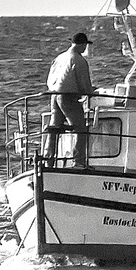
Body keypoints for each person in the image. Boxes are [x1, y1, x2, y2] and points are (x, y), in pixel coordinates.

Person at [45, 32, 96, 168]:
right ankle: (78, 161)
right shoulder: (79, 60)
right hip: (68, 97)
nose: (86, 48)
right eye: (85, 45)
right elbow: (85, 85)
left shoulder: (60, 57)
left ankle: (48, 160)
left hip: (54, 96)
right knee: (81, 129)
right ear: (82, 45)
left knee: (54, 129)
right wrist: (91, 92)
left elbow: (51, 79)